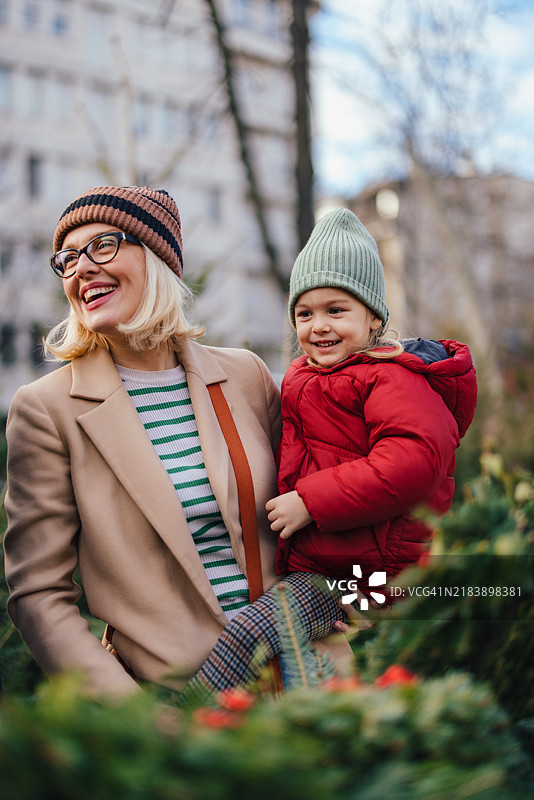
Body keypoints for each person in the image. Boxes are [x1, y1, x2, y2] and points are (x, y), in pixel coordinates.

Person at [179, 207, 477, 703]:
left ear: (373, 316)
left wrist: (309, 501)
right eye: (305, 312)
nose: (319, 326)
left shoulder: (393, 378)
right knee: (306, 675)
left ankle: (171, 724)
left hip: (370, 575)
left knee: (248, 634)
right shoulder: (304, 376)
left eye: (336, 310)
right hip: (328, 566)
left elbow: (414, 465)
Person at [3, 185, 290, 697]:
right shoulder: (47, 410)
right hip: (178, 711)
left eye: (102, 246)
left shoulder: (246, 376)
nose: (81, 268)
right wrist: (133, 716)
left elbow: (314, 520)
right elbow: (38, 594)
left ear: (156, 258)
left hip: (303, 682)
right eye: (67, 259)